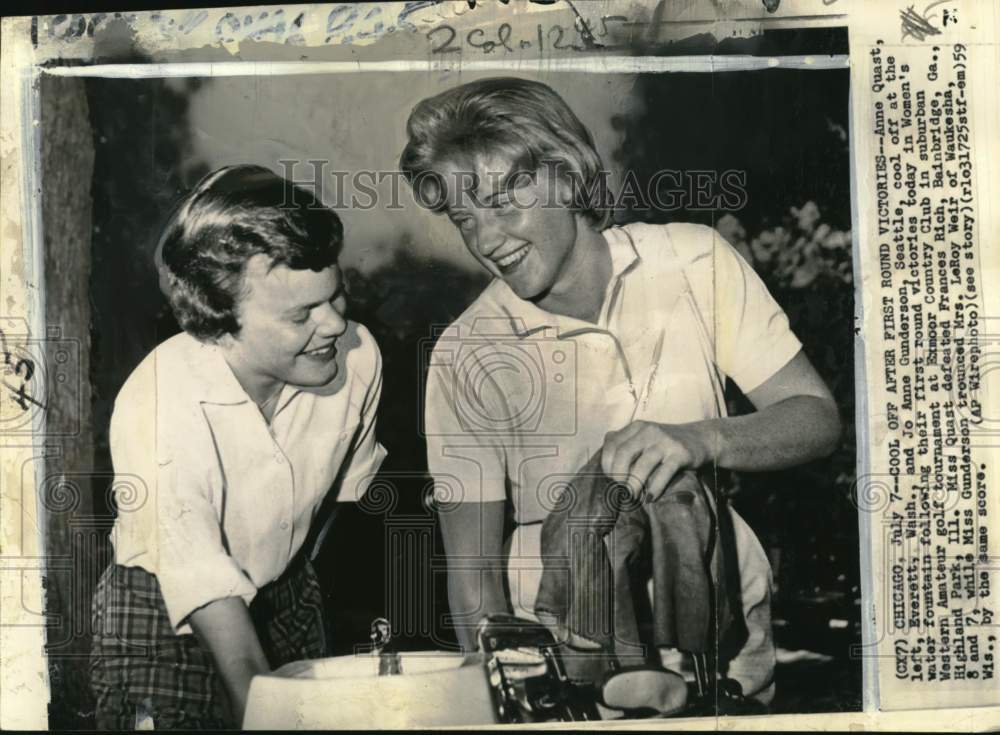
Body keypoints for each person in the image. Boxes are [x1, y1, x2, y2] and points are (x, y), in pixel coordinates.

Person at [400, 77, 841, 706]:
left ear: (569, 176)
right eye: (464, 218)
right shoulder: (465, 353)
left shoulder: (697, 261)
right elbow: (473, 581)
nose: (486, 240)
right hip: (570, 675)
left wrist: (701, 438)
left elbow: (817, 420)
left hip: (725, 655)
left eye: (503, 203)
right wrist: (507, 700)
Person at [90, 165, 386, 729]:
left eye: (335, 295)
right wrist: (257, 696)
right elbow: (203, 582)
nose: (334, 324)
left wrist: (291, 589)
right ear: (221, 327)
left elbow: (337, 507)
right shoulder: (158, 403)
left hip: (285, 593)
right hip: (162, 614)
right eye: (301, 314)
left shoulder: (359, 356)